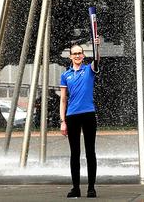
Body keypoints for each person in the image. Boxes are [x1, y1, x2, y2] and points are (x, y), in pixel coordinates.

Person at [60, 39, 101, 198]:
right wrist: (63, 121)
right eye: (74, 53)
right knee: (74, 153)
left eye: (79, 53)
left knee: (90, 152)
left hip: (88, 114)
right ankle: (75, 188)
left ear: (83, 56)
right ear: (70, 57)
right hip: (72, 116)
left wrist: (96, 46)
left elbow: (97, 60)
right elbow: (63, 99)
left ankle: (91, 188)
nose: (77, 55)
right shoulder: (65, 75)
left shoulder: (89, 69)